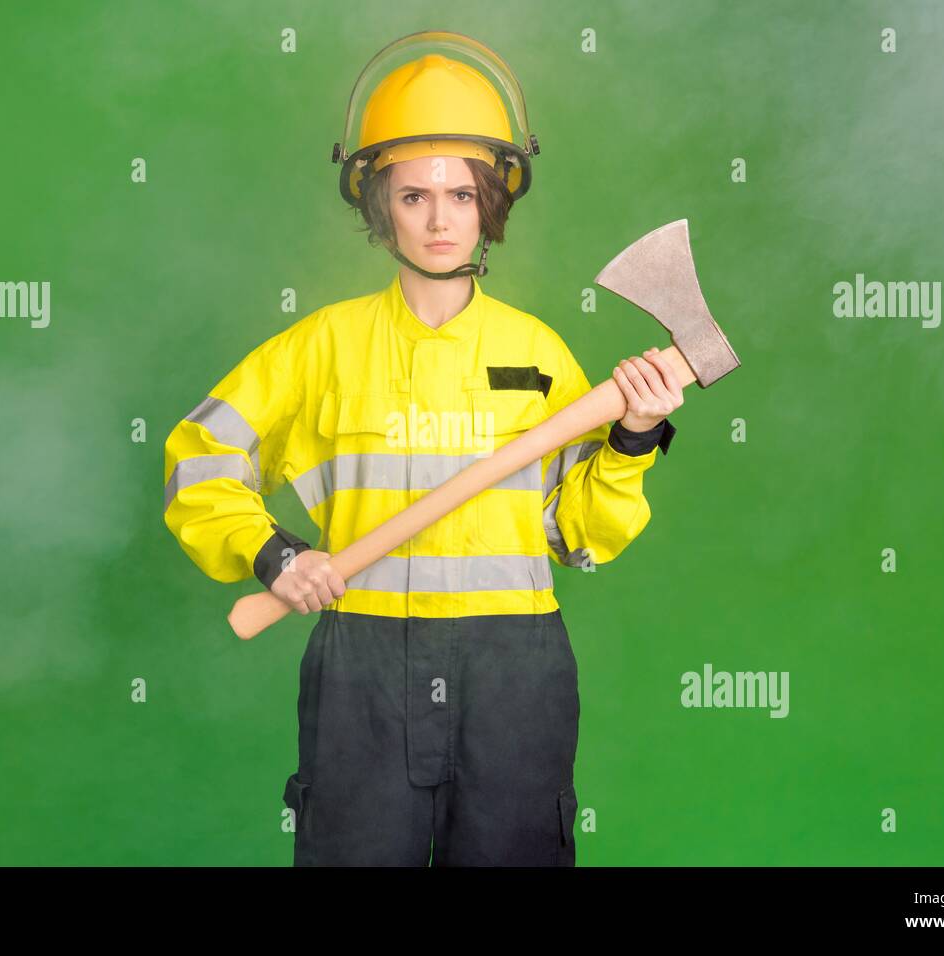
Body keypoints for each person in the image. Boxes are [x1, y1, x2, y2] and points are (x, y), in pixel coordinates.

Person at [163, 31, 682, 866]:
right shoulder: (321, 347)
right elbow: (199, 455)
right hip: (362, 667)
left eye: (462, 194)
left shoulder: (543, 354)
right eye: (413, 196)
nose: (440, 219)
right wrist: (273, 554)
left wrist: (631, 439)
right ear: (378, 205)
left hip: (515, 668)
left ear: (492, 204)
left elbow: (579, 536)